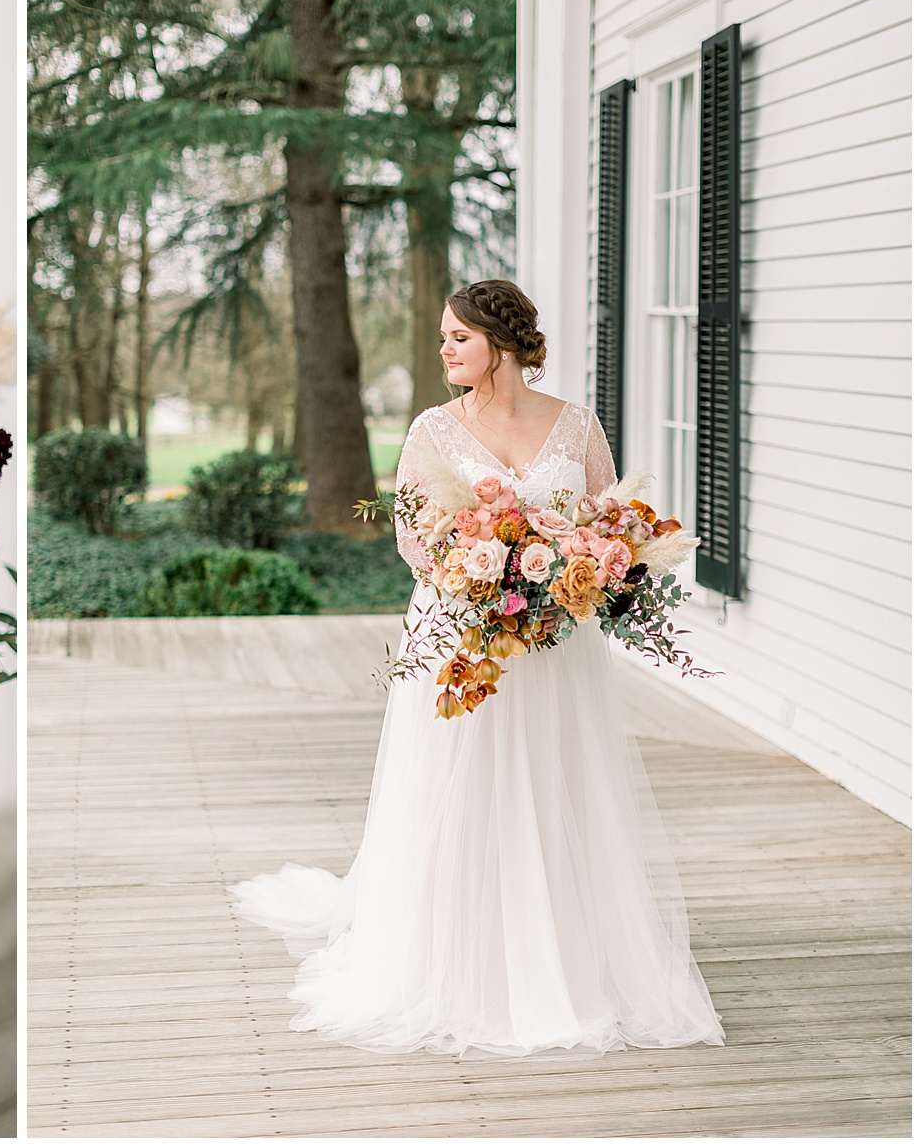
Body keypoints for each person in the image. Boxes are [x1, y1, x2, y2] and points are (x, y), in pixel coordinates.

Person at [231, 279, 724, 1059]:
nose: (445, 350)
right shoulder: (433, 429)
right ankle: (457, 951)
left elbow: (610, 521)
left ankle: (561, 949)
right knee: (460, 786)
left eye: (458, 337)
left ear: (501, 343)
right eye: (443, 337)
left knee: (554, 782)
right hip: (465, 637)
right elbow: (414, 537)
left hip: (556, 643)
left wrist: (578, 573)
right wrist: (483, 581)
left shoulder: (576, 424)